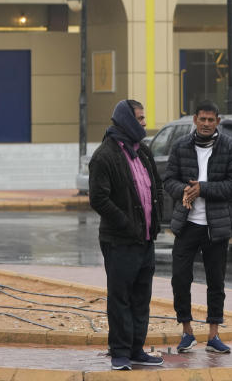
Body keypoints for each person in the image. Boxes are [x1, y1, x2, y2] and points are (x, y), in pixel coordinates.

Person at [88, 99, 165, 371]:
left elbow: (155, 188)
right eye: (140, 119)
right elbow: (98, 199)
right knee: (120, 298)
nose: (144, 124)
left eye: (144, 118)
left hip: (145, 240)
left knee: (141, 297)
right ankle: (119, 352)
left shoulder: (143, 152)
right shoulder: (104, 155)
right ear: (126, 121)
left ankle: (136, 349)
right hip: (120, 241)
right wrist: (125, 223)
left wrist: (156, 221)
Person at [163, 100, 232, 354]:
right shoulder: (180, 147)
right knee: (180, 278)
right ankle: (187, 332)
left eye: (211, 120)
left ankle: (213, 334)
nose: (207, 124)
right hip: (187, 224)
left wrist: (204, 188)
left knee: (216, 281)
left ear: (217, 122)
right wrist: (184, 190)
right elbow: (168, 180)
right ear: (194, 120)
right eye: (203, 119)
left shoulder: (229, 147)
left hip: (216, 226)